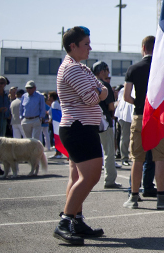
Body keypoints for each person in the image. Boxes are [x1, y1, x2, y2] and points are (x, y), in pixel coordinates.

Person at [53, 26, 107, 245]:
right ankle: (65, 222)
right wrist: (101, 91)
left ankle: (76, 220)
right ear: (72, 46)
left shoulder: (79, 68)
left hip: (78, 127)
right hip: (79, 128)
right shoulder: (73, 69)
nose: (90, 47)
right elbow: (93, 97)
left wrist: (100, 90)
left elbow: (100, 88)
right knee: (91, 176)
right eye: (86, 44)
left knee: (76, 177)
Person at [122, 36, 164, 210]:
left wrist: (139, 103)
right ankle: (161, 196)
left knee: (137, 158)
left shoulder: (133, 68)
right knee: (160, 158)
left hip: (140, 115)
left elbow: (125, 96)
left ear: (143, 48)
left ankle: (133, 196)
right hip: (158, 118)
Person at [92, 61, 121, 189]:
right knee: (108, 151)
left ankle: (88, 180)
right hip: (104, 121)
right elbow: (110, 106)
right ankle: (109, 180)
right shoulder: (104, 85)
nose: (108, 73)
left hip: (89, 121)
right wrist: (116, 105)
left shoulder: (89, 84)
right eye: (107, 70)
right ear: (102, 71)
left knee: (91, 153)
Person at [114, 84, 134, 166]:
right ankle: (124, 158)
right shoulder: (123, 90)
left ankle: (132, 156)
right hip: (125, 116)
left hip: (133, 115)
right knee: (125, 137)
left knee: (134, 138)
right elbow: (119, 102)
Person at [47, 92, 65, 159]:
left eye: (49, 97)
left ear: (52, 97)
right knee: (55, 138)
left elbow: (54, 114)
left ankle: (59, 153)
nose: (48, 98)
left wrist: (51, 120)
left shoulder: (54, 104)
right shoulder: (55, 104)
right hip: (55, 123)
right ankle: (57, 152)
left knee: (57, 138)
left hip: (56, 123)